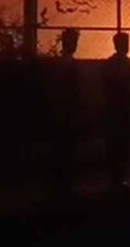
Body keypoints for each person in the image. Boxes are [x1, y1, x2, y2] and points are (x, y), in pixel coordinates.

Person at [46, 28, 83, 198]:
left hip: (63, 111)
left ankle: (61, 186)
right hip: (66, 111)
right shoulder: (67, 65)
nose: (74, 45)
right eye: (73, 41)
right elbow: (71, 90)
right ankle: (64, 187)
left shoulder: (60, 64)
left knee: (63, 149)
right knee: (66, 149)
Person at [101, 32, 130, 192]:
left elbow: (104, 89)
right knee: (124, 146)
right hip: (124, 111)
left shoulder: (108, 64)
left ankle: (115, 180)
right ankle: (120, 180)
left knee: (114, 146)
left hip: (113, 111)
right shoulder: (129, 65)